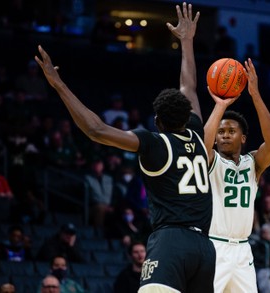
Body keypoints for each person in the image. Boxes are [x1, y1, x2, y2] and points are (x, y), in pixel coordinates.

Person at [35, 3, 216, 292]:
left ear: (157, 121)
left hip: (171, 242)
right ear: (186, 117)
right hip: (205, 249)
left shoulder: (154, 142)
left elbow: (95, 130)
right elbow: (189, 87)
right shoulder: (196, 133)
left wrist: (59, 87)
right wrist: (186, 41)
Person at [203, 57, 270, 292]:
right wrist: (220, 105)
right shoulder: (212, 160)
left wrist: (255, 94)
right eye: (221, 132)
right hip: (214, 245)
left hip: (243, 250)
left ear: (243, 138)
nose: (224, 135)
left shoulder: (253, 163)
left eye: (231, 131)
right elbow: (201, 146)